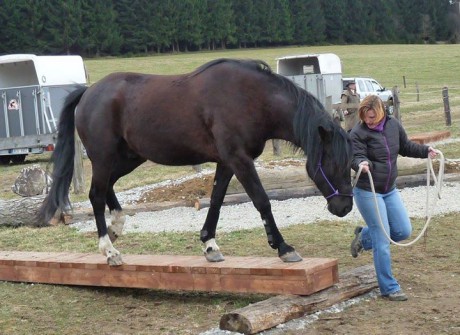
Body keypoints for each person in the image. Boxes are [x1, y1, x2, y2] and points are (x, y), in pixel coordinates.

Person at [349, 95, 437, 301]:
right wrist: (360, 164)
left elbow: (405, 146)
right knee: (382, 239)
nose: (368, 121)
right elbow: (355, 155)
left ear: (380, 112)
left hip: (389, 189)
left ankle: (363, 237)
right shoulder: (358, 132)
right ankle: (389, 287)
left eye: (371, 116)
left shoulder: (393, 126)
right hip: (367, 191)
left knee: (402, 230)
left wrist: (426, 151)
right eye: (365, 117)